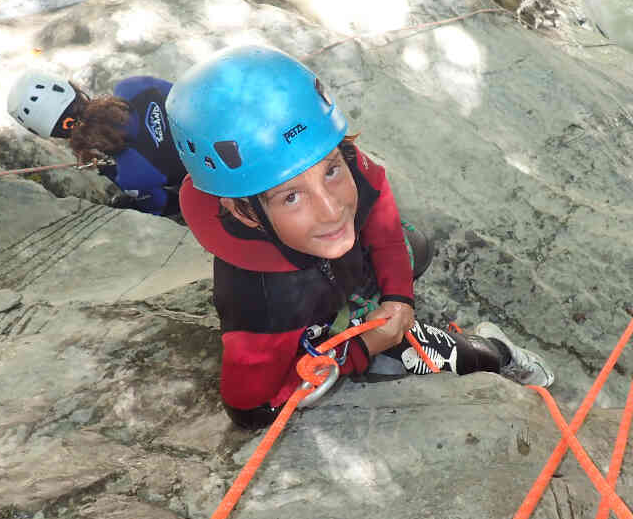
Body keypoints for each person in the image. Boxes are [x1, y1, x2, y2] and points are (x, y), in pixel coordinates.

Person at [167, 45, 555, 429]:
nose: (332, 209)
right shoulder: (264, 308)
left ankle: (397, 319)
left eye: (331, 172)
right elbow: (252, 409)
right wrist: (368, 346)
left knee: (414, 246)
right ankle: (498, 354)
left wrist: (398, 296)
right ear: (242, 211)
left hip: (343, 278)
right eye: (291, 196)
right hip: (321, 321)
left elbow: (378, 202)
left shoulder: (334, 156)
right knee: (457, 356)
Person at [7, 71, 186, 216]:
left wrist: (113, 174)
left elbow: (166, 206)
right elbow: (186, 93)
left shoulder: (130, 176)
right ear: (77, 91)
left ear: (56, 134)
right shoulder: (133, 87)